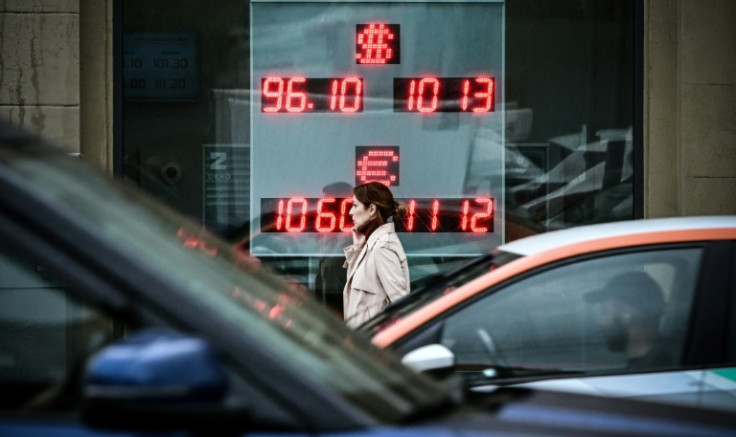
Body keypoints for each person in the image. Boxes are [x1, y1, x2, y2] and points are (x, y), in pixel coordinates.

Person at [342, 182, 410, 328]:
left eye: (355, 205)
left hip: (371, 343)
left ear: (371, 209)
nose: (350, 212)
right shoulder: (372, 245)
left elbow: (402, 303)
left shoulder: (383, 248)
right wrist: (358, 249)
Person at [585, 271, 673, 370]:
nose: (600, 322)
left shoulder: (648, 373)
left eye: (605, 312)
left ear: (626, 313)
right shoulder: (660, 363)